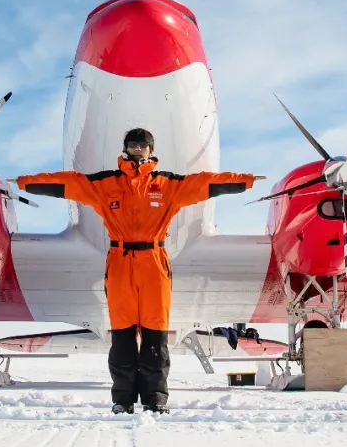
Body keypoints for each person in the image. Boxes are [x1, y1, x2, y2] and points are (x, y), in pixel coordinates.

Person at [13, 128, 259, 414]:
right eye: (132, 144)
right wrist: (27, 182)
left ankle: (155, 398)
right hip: (119, 262)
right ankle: (123, 399)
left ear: (151, 150)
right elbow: (69, 183)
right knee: (122, 334)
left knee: (155, 334)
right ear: (126, 148)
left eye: (142, 145)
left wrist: (245, 181)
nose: (137, 149)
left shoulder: (167, 184)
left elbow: (204, 184)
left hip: (154, 262)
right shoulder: (105, 184)